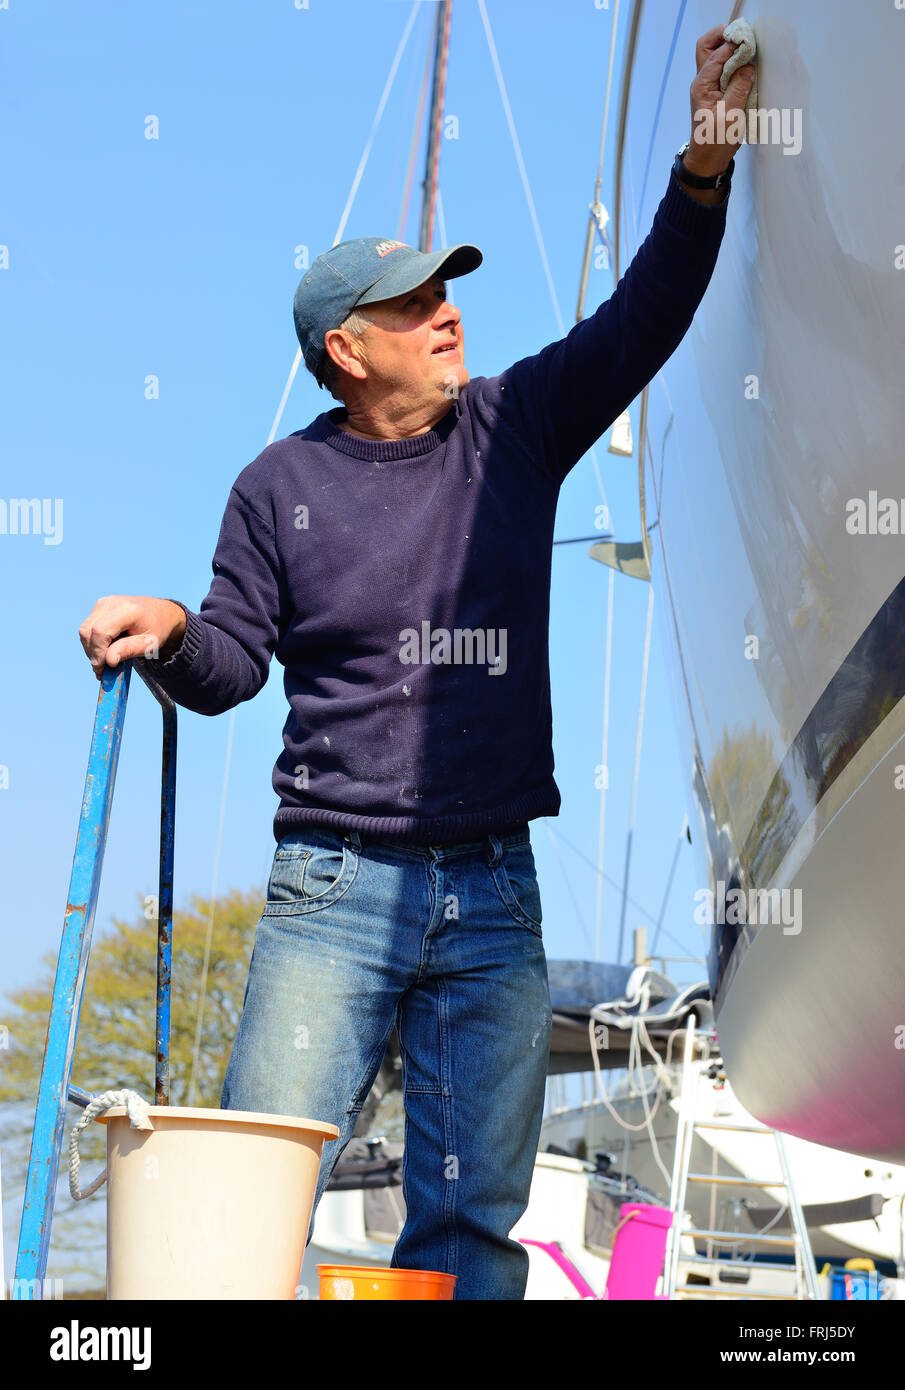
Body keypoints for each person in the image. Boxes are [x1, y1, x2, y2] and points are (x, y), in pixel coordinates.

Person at [79, 27, 755, 1300]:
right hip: (333, 885)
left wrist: (702, 171)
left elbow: (642, 318)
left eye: (446, 293)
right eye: (412, 303)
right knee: (245, 1201)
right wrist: (170, 625)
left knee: (468, 1232)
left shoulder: (515, 425)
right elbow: (230, 662)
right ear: (347, 348)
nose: (448, 312)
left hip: (493, 890)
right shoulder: (275, 487)